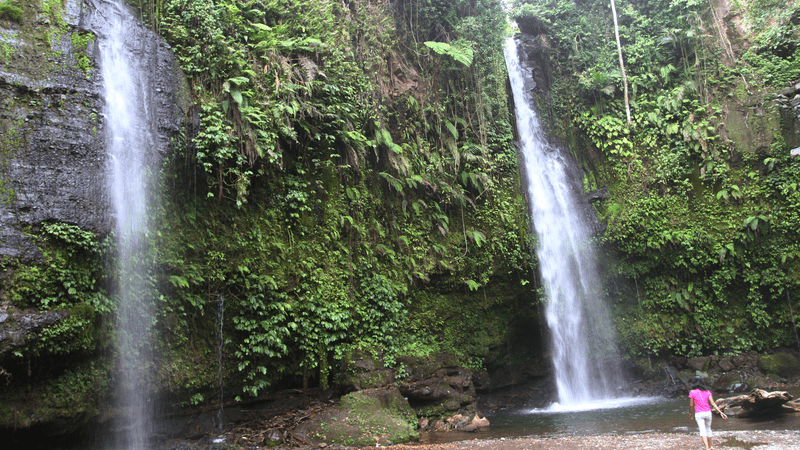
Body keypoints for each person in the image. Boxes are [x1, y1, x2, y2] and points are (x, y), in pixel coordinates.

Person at [689, 375, 727, 450]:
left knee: (702, 430)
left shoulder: (692, 392)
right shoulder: (707, 392)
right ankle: (710, 446)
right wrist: (720, 412)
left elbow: (691, 405)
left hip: (699, 414)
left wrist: (690, 413)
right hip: (708, 413)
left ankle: (707, 447)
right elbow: (712, 403)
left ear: (694, 383)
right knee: (708, 429)